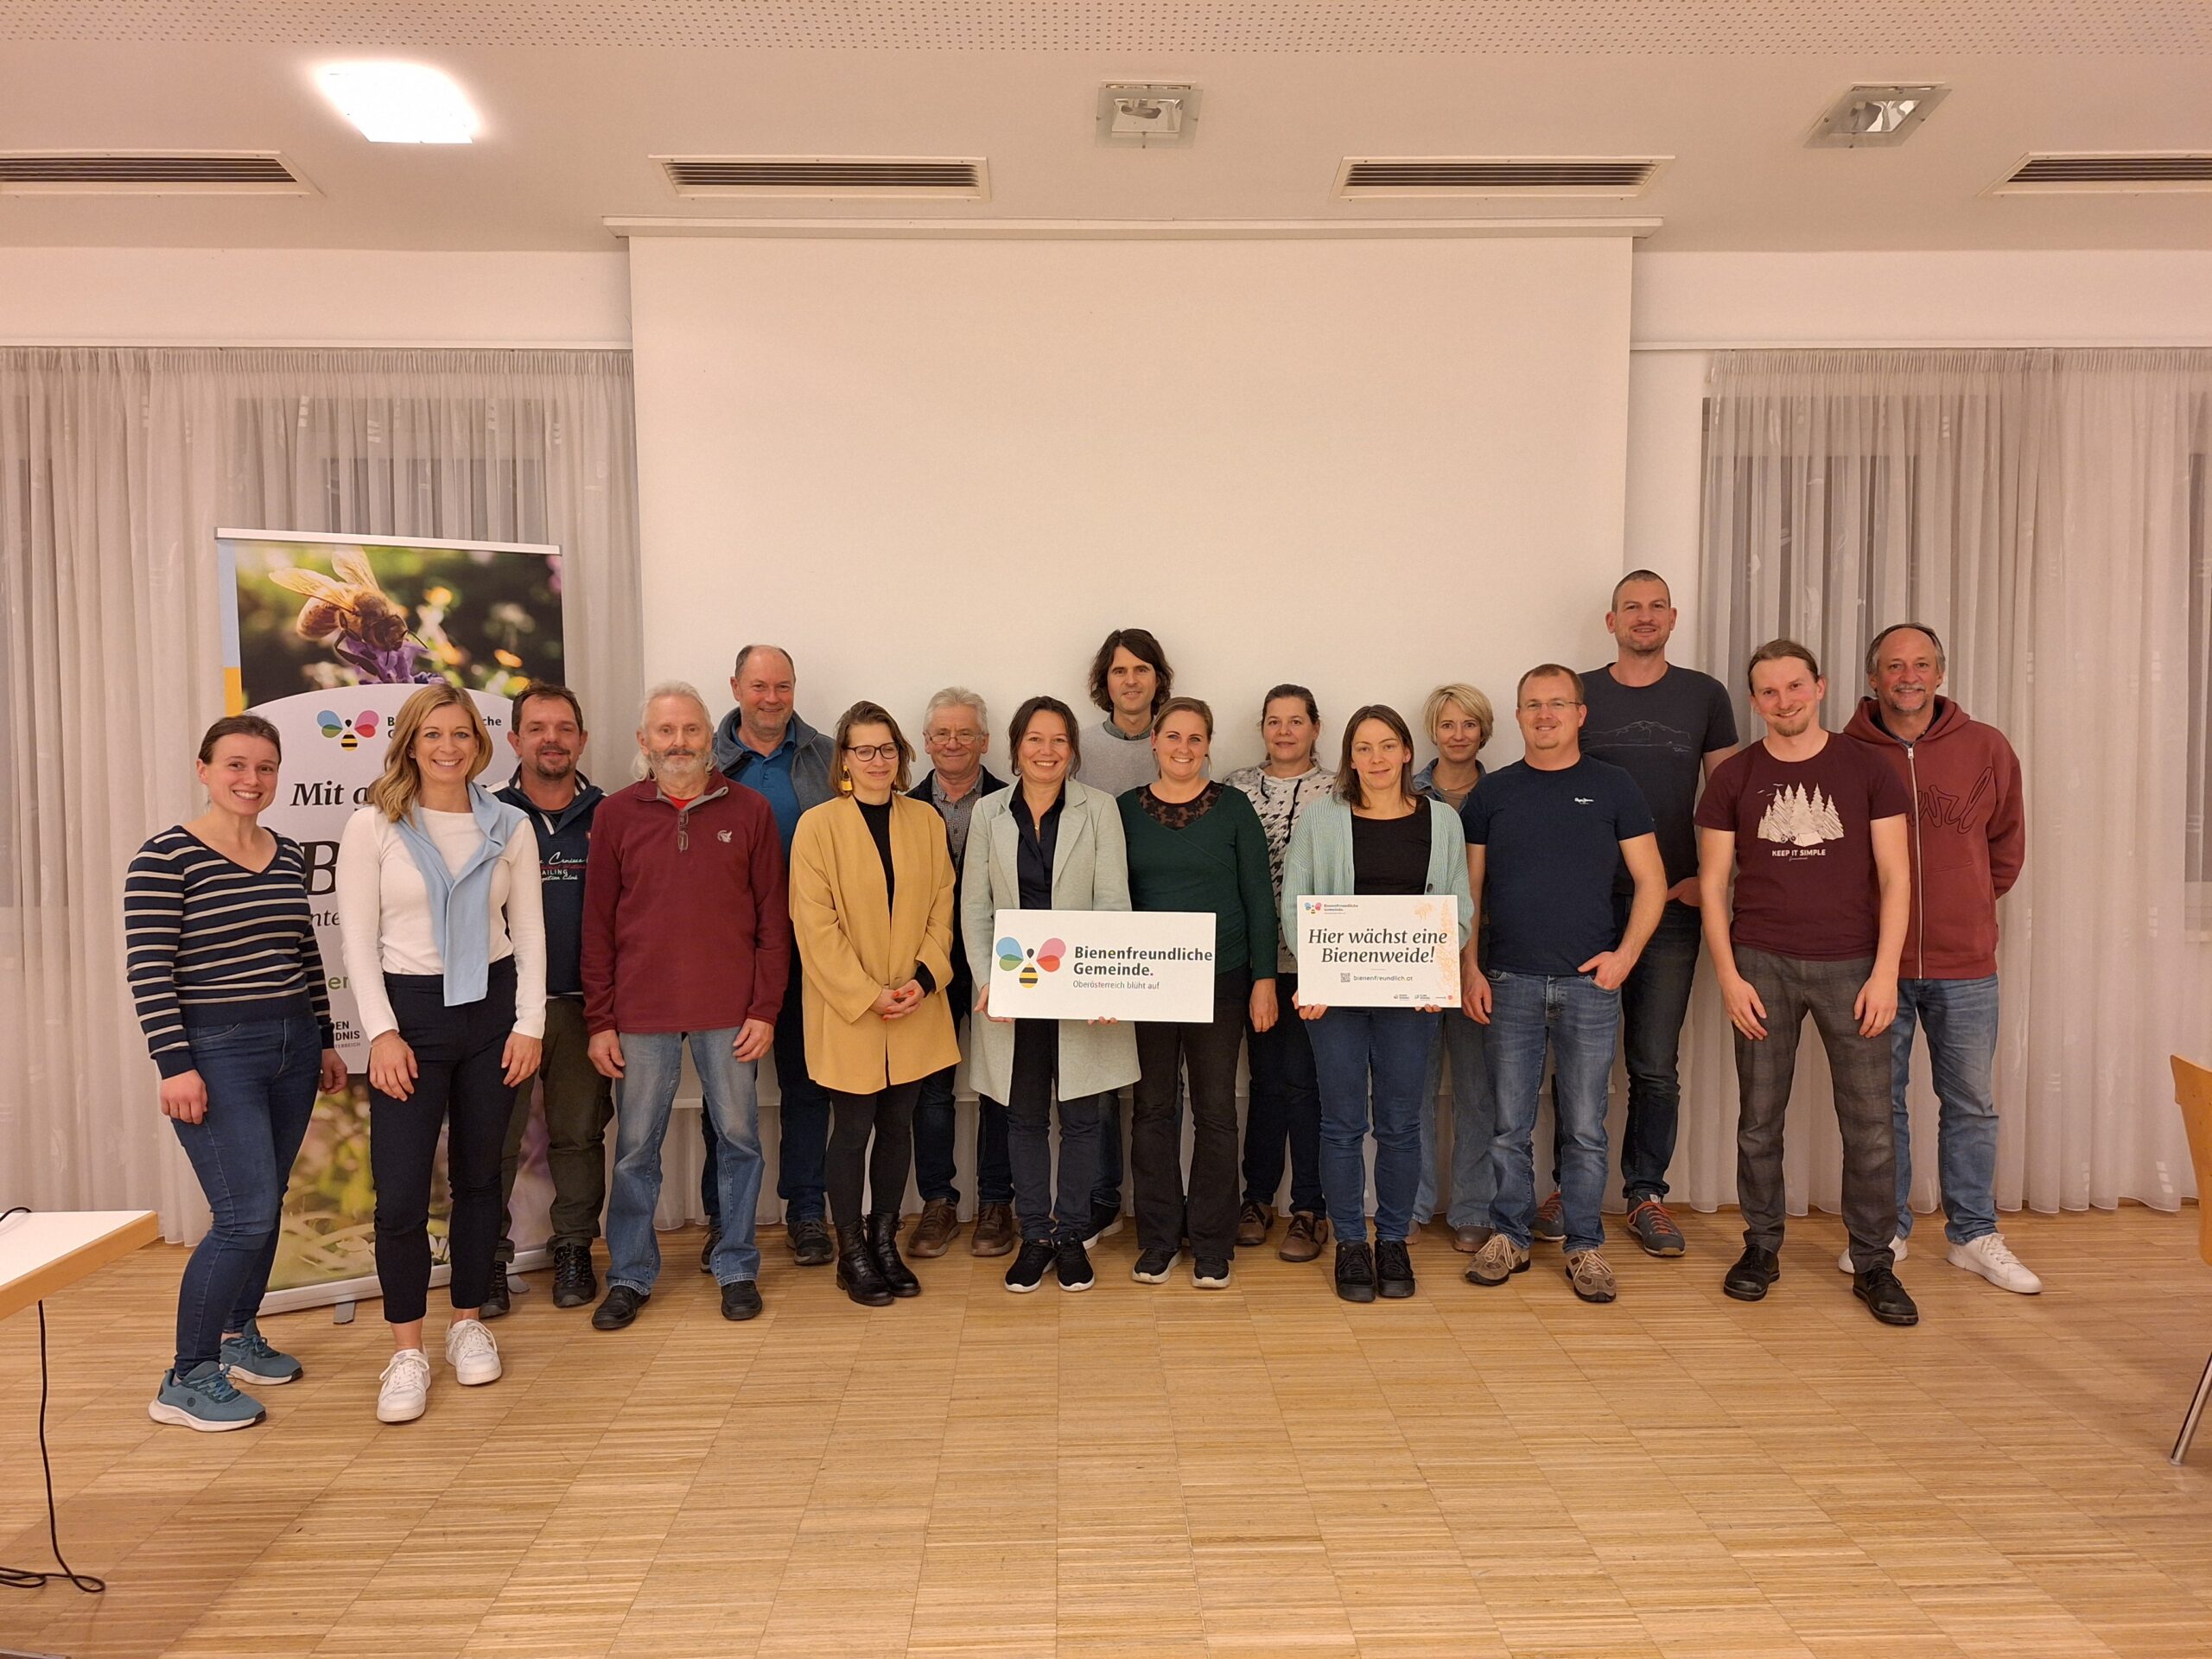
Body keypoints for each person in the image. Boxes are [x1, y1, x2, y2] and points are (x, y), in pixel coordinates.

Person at [130, 715, 349, 1431]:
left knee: (267, 1203)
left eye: (264, 767)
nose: (251, 780)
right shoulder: (164, 857)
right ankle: (185, 1377)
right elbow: (149, 972)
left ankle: (236, 1337)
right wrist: (175, 1065)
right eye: (235, 765)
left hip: (290, 1043)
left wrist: (320, 1041)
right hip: (216, 1052)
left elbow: (304, 954)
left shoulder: (285, 854)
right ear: (204, 769)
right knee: (243, 1216)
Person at [336, 685, 545, 1423]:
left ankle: (466, 1325)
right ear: (411, 743)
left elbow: (530, 934)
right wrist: (381, 1033)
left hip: (492, 1015)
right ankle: (406, 1350)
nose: (448, 747)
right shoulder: (374, 826)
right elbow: (357, 942)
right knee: (397, 1196)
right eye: (433, 735)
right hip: (410, 1018)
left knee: (480, 1181)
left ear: (479, 744)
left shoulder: (509, 826)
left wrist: (529, 1027)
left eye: (461, 734)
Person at [1696, 640, 1918, 1327]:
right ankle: (1760, 1248)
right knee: (1760, 1122)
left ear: (1819, 687)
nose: (1783, 701)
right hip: (1761, 964)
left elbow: (1895, 877)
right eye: (1768, 691)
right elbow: (1710, 885)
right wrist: (1728, 976)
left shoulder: (1868, 769)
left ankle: (1874, 1262)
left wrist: (1886, 974)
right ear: (1755, 700)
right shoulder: (1734, 777)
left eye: (1795, 687)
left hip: (1855, 967)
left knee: (1871, 1126)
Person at [1461, 666, 1665, 1305]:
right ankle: (1510, 1237)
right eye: (1532, 705)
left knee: (1584, 1127)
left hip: (1589, 987)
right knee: (1508, 1125)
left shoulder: (1615, 787)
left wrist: (1624, 958)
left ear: (1580, 714)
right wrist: (1468, 969)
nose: (1544, 715)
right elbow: (1469, 893)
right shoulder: (1492, 795)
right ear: (1517, 716)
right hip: (1510, 981)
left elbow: (1652, 882)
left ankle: (1584, 1247)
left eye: (1557, 704)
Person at [586, 683, 787, 1331]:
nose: (679, 743)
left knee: (739, 1139)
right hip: (640, 1013)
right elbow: (597, 928)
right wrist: (600, 1020)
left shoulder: (751, 811)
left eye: (691, 731)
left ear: (710, 737)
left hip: (731, 1009)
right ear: (644, 741)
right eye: (665, 732)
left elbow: (771, 923)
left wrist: (764, 1009)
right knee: (636, 1147)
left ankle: (735, 1265)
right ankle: (630, 1274)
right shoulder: (615, 816)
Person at [1845, 624, 2037, 1293]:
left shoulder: (1986, 747)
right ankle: (1887, 1230)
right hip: (1877, 966)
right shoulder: (1845, 753)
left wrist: (1972, 899)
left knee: (1972, 1102)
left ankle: (1974, 1234)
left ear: (1940, 673)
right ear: (1873, 678)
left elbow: (2006, 846)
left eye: (1921, 664)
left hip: (1966, 964)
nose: (1908, 676)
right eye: (1894, 666)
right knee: (1880, 1105)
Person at [1569, 569, 1738, 1259]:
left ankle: (1646, 1194)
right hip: (1583, 907)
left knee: (1654, 1063)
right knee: (1573, 1061)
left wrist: (1711, 880)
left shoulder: (1706, 695)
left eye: (1656, 606)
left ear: (1674, 617)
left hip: (1670, 909)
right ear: (1610, 621)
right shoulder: (1579, 694)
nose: (1644, 616)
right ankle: (1570, 1189)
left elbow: (1730, 797)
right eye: (1631, 607)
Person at [1281, 705, 1474, 1305]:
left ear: (1407, 752)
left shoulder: (1441, 823)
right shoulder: (1322, 818)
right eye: (1363, 749)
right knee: (1341, 1125)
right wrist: (1312, 976)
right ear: (1349, 758)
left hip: (1410, 999)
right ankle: (1350, 1244)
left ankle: (1392, 1238)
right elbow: (1295, 901)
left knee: (1399, 1124)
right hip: (1334, 998)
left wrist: (1436, 975)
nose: (1377, 759)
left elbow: (1458, 907)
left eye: (1387, 746)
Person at [963, 696, 1141, 1294]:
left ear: (1073, 750)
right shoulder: (989, 813)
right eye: (1035, 740)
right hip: (1016, 989)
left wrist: (1107, 978)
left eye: (1059, 741)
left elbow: (1115, 900)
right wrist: (989, 981)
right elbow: (976, 909)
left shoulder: (1101, 810)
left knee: (1084, 1118)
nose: (1047, 751)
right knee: (1023, 1119)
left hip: (1081, 987)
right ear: (1016, 748)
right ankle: (1034, 1235)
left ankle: (1071, 1239)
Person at [790, 702, 960, 1307]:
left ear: (902, 755)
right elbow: (815, 927)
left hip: (916, 1002)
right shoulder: (818, 827)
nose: (877, 760)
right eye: (864, 750)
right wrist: (867, 995)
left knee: (898, 1126)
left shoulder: (925, 822)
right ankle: (853, 1251)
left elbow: (944, 906)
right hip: (850, 1011)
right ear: (844, 758)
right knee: (854, 1127)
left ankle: (886, 1240)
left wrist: (922, 977)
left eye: (886, 749)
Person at [1120, 697, 1278, 1289]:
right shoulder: (1124, 812)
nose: (1183, 748)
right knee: (1154, 1109)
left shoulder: (1235, 809)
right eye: (1173, 736)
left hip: (1224, 978)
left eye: (1195, 738)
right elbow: (1109, 897)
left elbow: (1259, 898)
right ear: (1154, 741)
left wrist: (1264, 980)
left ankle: (1213, 1242)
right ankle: (1159, 1240)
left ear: (1208, 744)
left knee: (1216, 1111)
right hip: (1149, 982)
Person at [711, 642, 837, 1269]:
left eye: (782, 687)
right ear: (736, 687)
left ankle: (807, 1212)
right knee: (724, 1090)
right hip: (729, 954)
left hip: (812, 951)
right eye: (759, 686)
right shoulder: (702, 760)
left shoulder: (826, 755)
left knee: (807, 1085)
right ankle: (721, 1218)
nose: (771, 698)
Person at [492, 683, 610, 1313]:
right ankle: (486, 1258)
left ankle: (572, 1249)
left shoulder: (611, 815)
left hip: (584, 1006)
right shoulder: (485, 814)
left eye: (564, 728)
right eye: (537, 727)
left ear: (582, 740)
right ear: (514, 740)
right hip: (503, 1008)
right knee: (493, 1139)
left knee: (578, 1136)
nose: (552, 739)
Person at [1075, 626, 1179, 1247]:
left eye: (1142, 669)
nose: (1131, 680)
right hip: (1100, 933)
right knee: (1105, 1071)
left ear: (1158, 678)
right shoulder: (1082, 749)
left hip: (1167, 937)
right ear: (1104, 680)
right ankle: (1104, 1199)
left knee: (1165, 1081)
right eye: (1119, 671)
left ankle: (1162, 1204)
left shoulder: (1179, 741)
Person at [1224, 685, 1335, 1262]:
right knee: (1265, 1083)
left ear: (1316, 727)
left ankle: (1311, 1207)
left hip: (1320, 962)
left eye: (1297, 721)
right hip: (1252, 961)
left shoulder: (1342, 790)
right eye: (1274, 721)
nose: (1285, 731)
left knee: (1307, 1085)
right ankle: (1258, 1197)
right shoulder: (1234, 788)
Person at [906, 688, 1014, 1260]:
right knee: (933, 1089)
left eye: (965, 733)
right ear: (925, 743)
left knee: (998, 1083)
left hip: (1003, 961)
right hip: (927, 966)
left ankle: (997, 1202)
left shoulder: (1013, 801)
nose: (953, 743)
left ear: (985, 742)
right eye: (942, 734)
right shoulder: (901, 806)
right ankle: (938, 1202)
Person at [1410, 683, 1499, 1251]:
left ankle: (1472, 1205)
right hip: (1414, 952)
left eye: (1469, 724)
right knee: (1411, 1087)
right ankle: (1411, 1204)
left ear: (1484, 730)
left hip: (1485, 955)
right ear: (1433, 731)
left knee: (1477, 1088)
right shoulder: (1405, 791)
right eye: (1448, 725)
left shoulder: (1508, 791)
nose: (1458, 735)